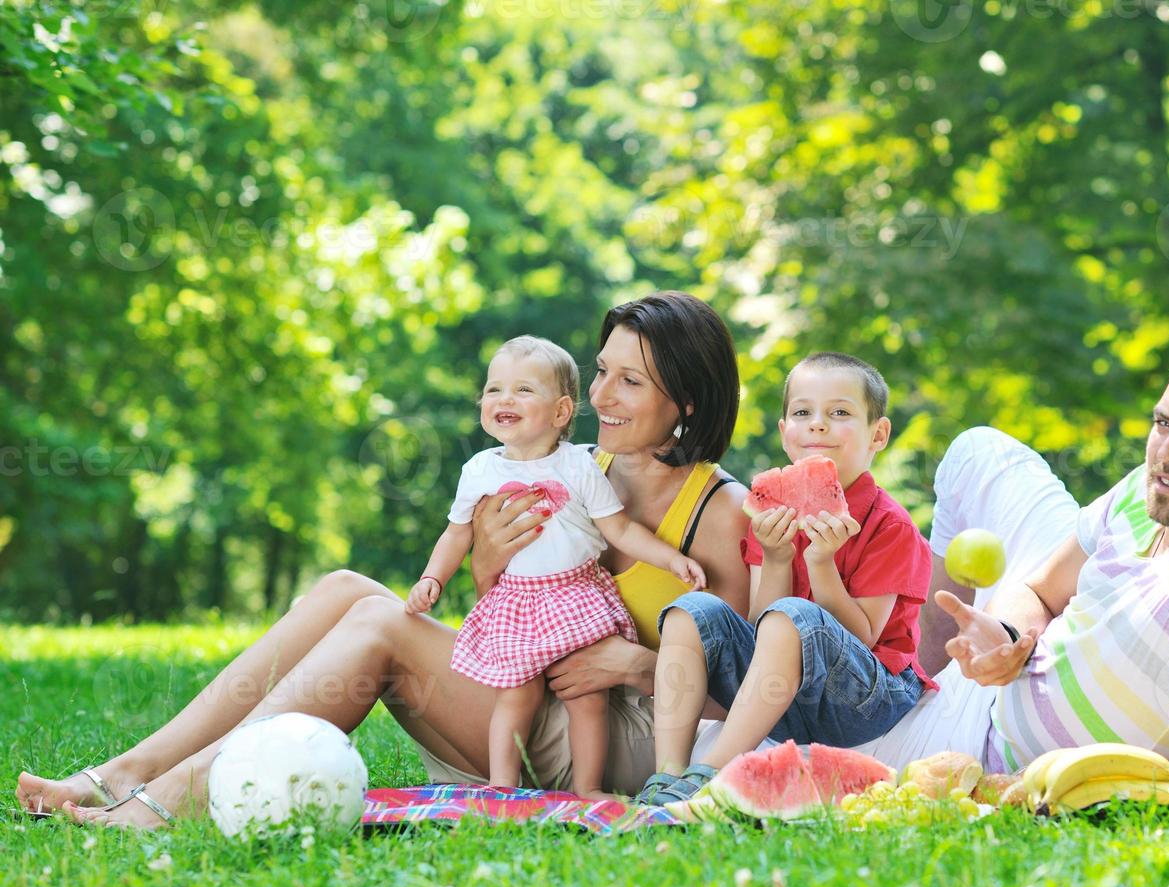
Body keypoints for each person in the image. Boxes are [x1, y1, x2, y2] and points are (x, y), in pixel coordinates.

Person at [16, 291, 749, 828]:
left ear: (685, 399)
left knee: (380, 627)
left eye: (630, 381)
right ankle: (127, 772)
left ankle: (164, 806)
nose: (599, 397)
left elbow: (747, 697)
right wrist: (484, 563)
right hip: (534, 687)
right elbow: (506, 599)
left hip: (623, 729)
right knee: (344, 589)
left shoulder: (718, 511)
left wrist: (635, 666)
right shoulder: (569, 465)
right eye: (599, 372)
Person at [852, 350, 1169, 795]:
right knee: (977, 451)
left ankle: (919, 713)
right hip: (1001, 675)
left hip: (978, 742)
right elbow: (1042, 591)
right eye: (1164, 424)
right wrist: (1007, 636)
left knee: (789, 749)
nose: (1167, 454)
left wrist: (1030, 790)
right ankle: (920, 676)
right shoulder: (1160, 492)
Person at [407, 335, 706, 800]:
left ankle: (587, 787)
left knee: (587, 696)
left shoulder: (579, 466)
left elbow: (621, 530)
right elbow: (457, 534)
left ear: (562, 411)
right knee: (516, 693)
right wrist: (432, 578)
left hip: (577, 596)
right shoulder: (480, 469)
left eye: (523, 390)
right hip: (518, 600)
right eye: (493, 389)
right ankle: (502, 785)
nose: (504, 399)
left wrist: (672, 558)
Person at [637, 353, 932, 805]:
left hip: (866, 699)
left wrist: (821, 564)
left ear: (879, 434)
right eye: (802, 412)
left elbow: (864, 635)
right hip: (783, 694)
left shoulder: (891, 527)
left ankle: (709, 777)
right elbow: (761, 629)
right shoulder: (773, 513)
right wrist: (775, 556)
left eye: (839, 413)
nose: (817, 425)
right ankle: (668, 775)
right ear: (783, 432)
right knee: (691, 609)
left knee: (794, 613)